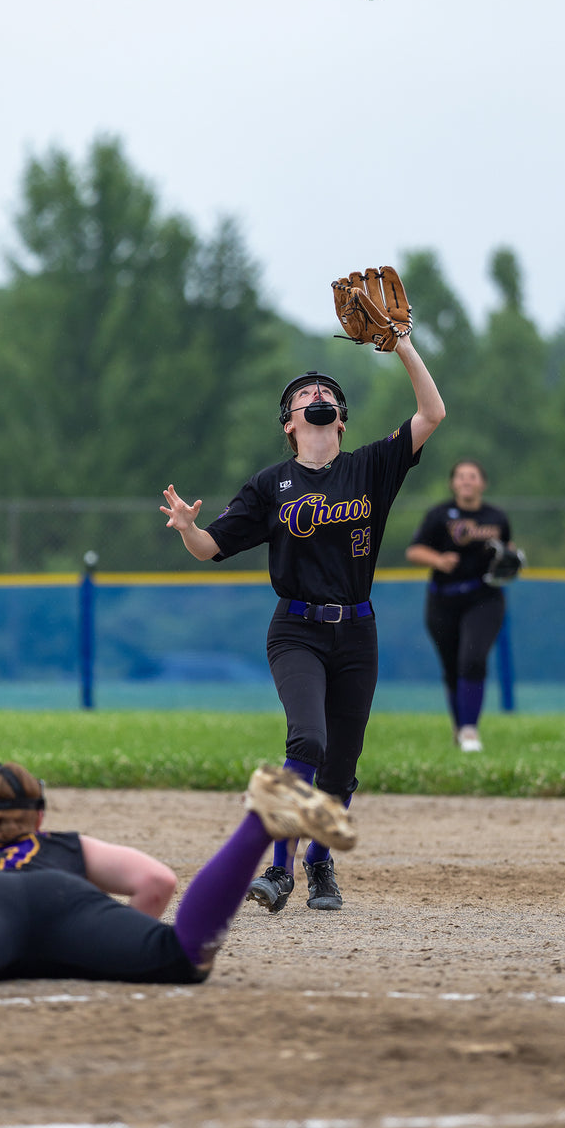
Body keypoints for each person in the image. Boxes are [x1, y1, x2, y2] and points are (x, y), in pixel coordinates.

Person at [160, 335, 445, 915]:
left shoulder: (370, 467)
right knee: (308, 740)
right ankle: (279, 870)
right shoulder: (271, 485)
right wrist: (189, 528)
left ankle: (319, 860)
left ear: (340, 418)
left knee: (341, 765)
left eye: (326, 392)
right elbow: (210, 547)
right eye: (304, 393)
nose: (316, 394)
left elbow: (432, 413)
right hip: (296, 630)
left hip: (357, 632)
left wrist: (402, 345)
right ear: (289, 424)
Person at [0, 759, 354, 987]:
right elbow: (158, 882)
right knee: (181, 957)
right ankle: (258, 823)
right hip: (69, 901)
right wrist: (109, 945)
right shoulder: (63, 845)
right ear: (39, 818)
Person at [405, 459, 518, 753]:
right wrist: (438, 560)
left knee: (473, 657)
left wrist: (510, 558)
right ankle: (460, 726)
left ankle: (470, 730)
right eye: (461, 476)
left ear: (483, 483)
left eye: (473, 476)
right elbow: (414, 550)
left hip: (484, 596)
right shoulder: (439, 514)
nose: (467, 480)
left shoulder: (496, 517)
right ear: (453, 483)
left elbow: (509, 549)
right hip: (443, 598)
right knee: (452, 665)